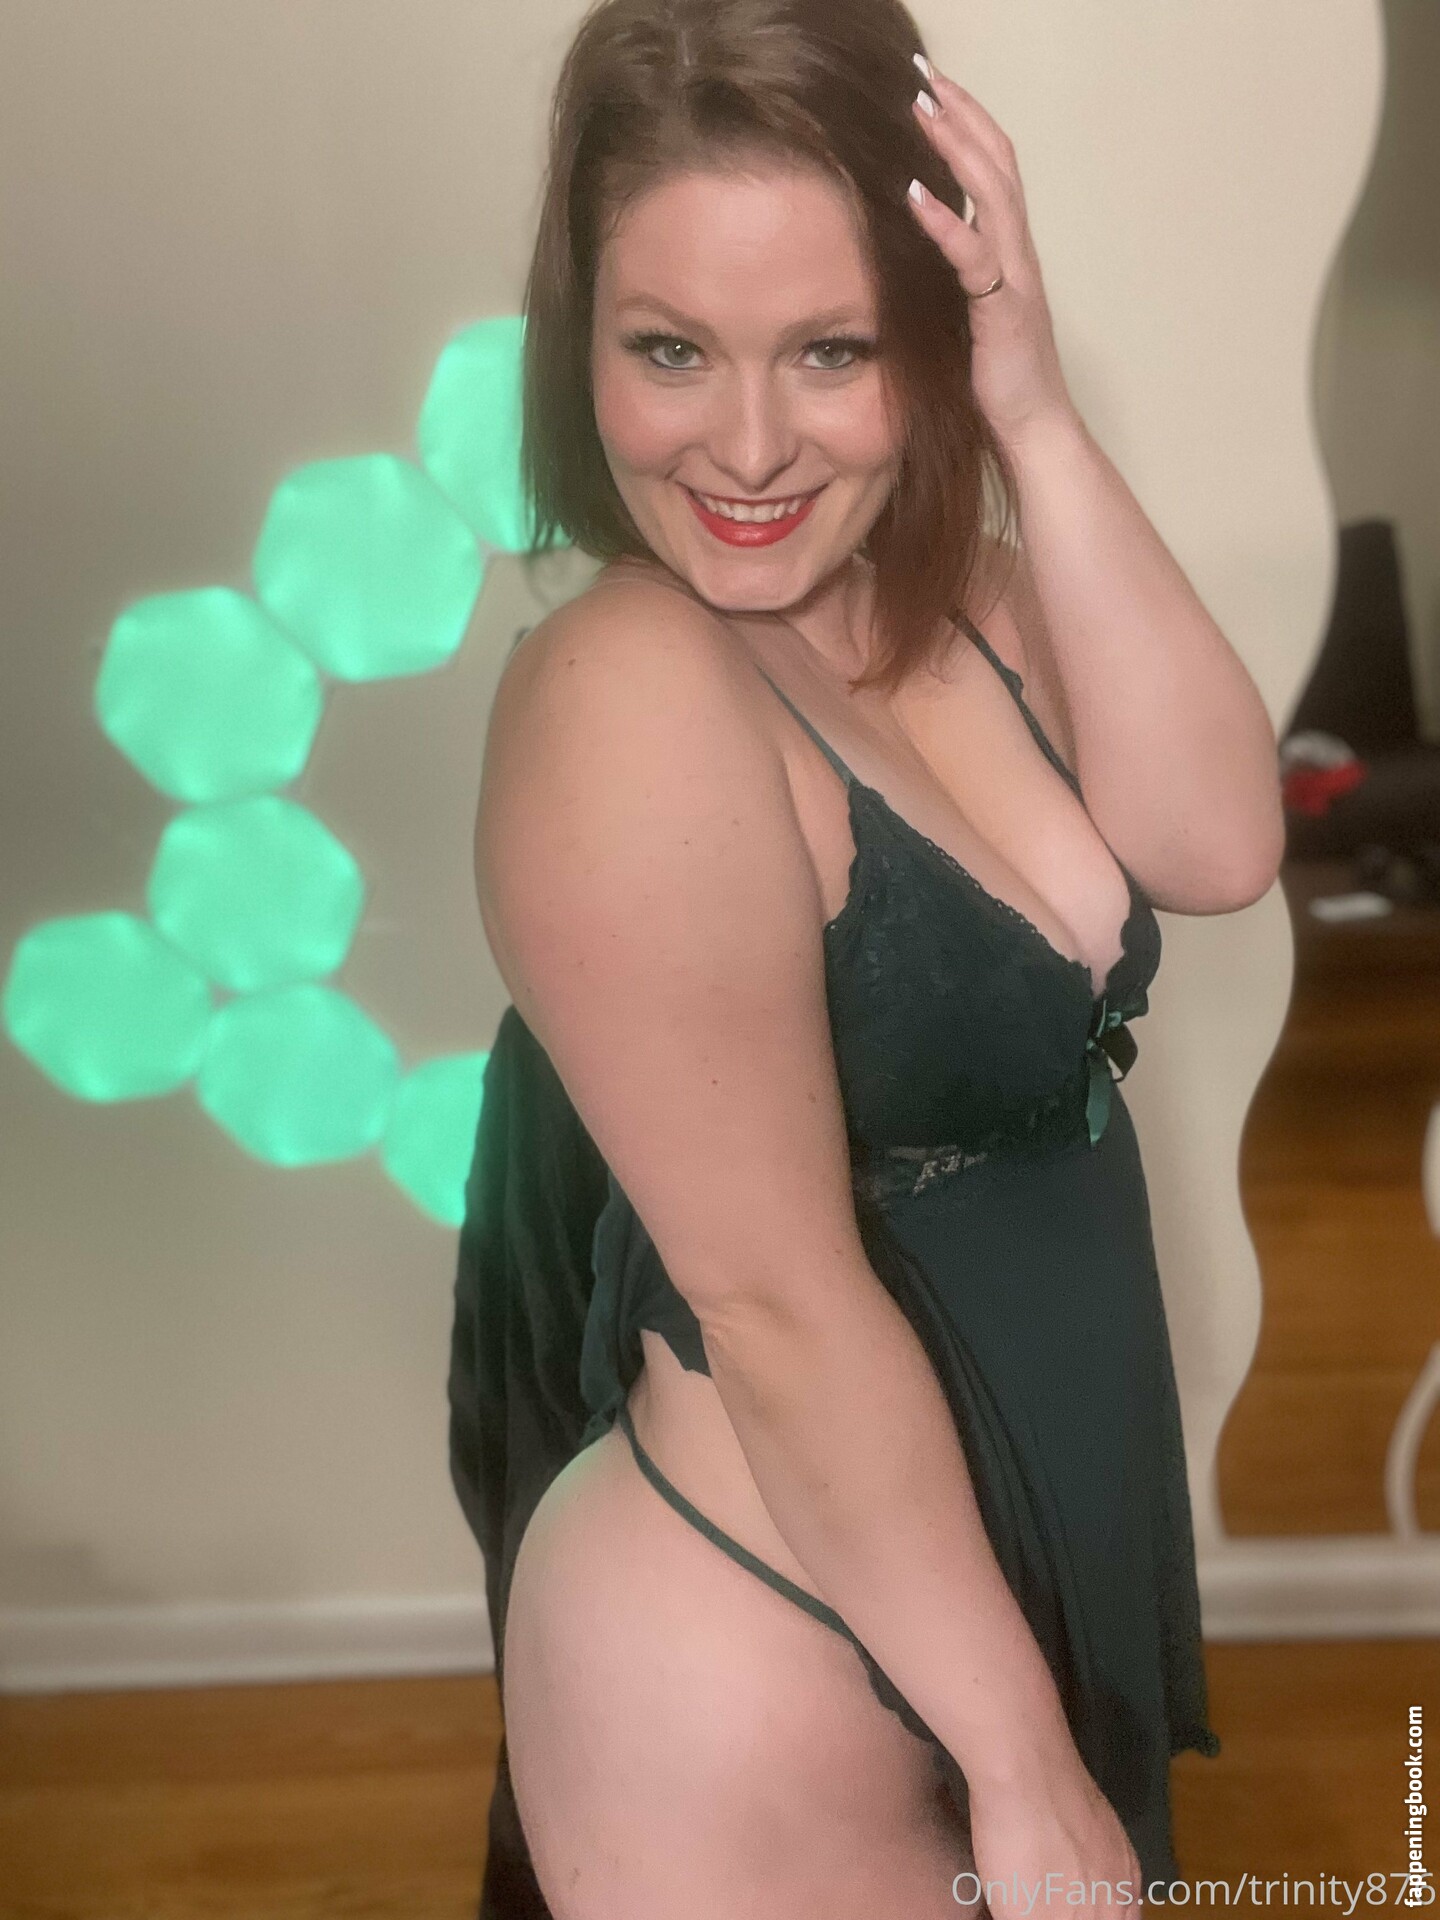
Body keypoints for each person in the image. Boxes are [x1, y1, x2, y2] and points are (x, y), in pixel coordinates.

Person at [451, 0, 1284, 1912]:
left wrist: (1033, 409)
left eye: (832, 349)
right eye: (670, 349)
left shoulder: (961, 598)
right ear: (583, 345)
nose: (747, 447)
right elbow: (772, 1300)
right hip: (773, 1641)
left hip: (1006, 1575)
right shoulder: (625, 689)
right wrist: (1023, 1766)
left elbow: (1220, 841)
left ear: (928, 326)